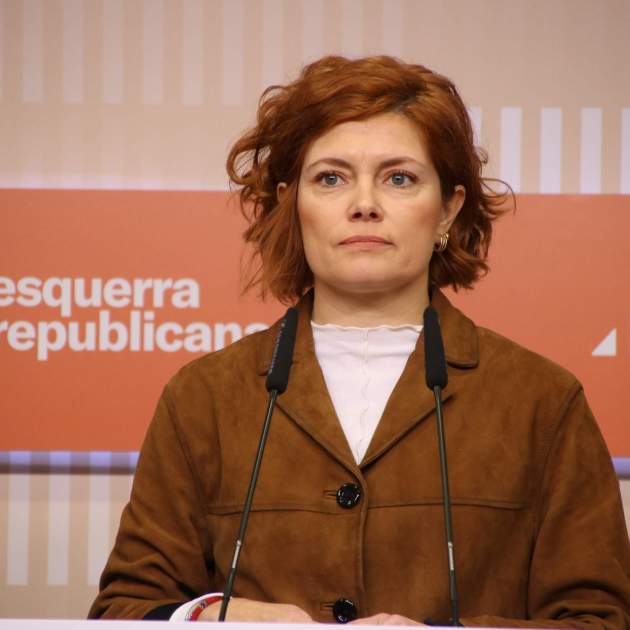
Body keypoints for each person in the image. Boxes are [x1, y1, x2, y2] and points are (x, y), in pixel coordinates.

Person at [88, 56, 630, 627]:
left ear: (447, 209)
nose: (364, 203)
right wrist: (213, 616)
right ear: (292, 204)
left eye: (399, 178)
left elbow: (598, 619)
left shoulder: (542, 399)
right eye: (331, 178)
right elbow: (123, 610)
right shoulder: (204, 396)